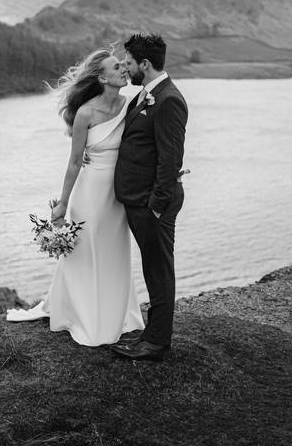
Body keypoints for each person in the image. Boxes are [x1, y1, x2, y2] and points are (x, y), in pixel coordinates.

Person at [6, 47, 145, 346]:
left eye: (123, 65)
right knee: (86, 254)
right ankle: (84, 315)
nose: (124, 69)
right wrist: (63, 204)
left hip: (118, 195)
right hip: (90, 194)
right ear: (101, 77)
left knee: (114, 252)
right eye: (116, 66)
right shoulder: (85, 113)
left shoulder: (131, 104)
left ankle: (116, 313)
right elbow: (73, 162)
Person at [109, 33, 188, 362]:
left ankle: (156, 343)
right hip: (138, 199)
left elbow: (170, 161)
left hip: (151, 204)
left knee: (158, 271)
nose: (125, 67)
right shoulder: (147, 95)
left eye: (128, 62)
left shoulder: (168, 99)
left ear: (145, 64)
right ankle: (154, 335)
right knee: (153, 269)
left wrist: (156, 206)